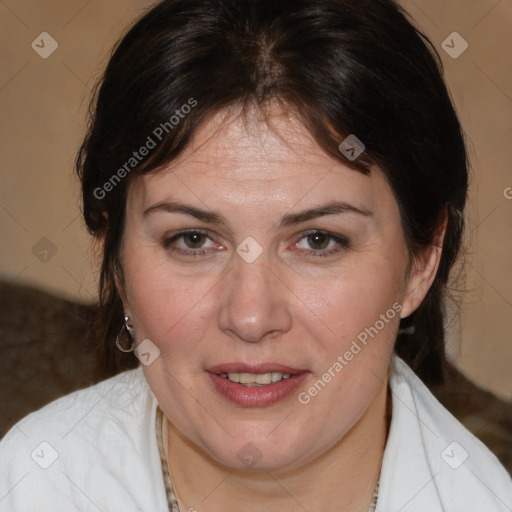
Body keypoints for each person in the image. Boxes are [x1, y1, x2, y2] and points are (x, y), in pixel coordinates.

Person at [1, 0, 511, 510]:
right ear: (112, 263)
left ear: (421, 262)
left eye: (318, 240)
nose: (250, 316)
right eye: (193, 240)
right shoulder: (28, 486)